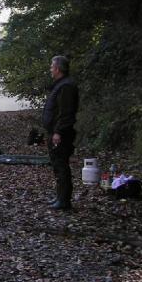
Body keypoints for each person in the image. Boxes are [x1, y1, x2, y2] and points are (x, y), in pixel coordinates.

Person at [42, 56, 79, 211]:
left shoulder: (66, 86)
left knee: (61, 165)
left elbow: (66, 113)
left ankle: (64, 201)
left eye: (51, 66)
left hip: (61, 134)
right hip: (55, 133)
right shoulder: (61, 85)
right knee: (57, 165)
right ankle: (60, 197)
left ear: (57, 69)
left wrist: (58, 132)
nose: (50, 69)